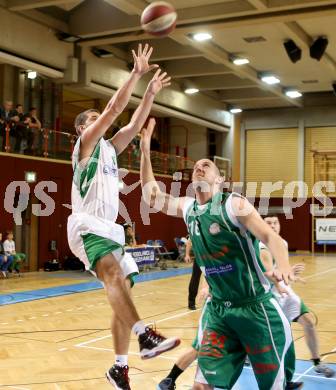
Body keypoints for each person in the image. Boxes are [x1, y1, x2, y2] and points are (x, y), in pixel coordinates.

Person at [140, 118, 301, 390]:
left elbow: (272, 238)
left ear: (220, 178)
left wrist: (282, 264)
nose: (199, 167)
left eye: (207, 165)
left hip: (255, 309)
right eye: (196, 167)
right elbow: (152, 197)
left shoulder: (233, 204)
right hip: (219, 312)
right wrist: (145, 152)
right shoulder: (189, 208)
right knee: (201, 386)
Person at [67, 44, 180, 390]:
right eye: (92, 118)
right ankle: (145, 335)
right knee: (115, 276)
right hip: (87, 224)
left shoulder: (111, 150)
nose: (98, 119)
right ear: (83, 128)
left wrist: (149, 93)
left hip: (109, 229)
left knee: (123, 290)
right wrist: (135, 74)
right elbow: (116, 109)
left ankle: (119, 367)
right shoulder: (86, 145)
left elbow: (132, 121)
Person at [260, 215, 335, 378]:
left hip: (285, 292)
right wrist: (285, 275)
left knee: (308, 321)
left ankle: (317, 363)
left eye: (275, 223)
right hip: (268, 297)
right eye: (268, 223)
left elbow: (282, 269)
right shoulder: (261, 247)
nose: (273, 226)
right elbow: (268, 274)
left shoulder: (282, 243)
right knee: (275, 337)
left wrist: (291, 276)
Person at [185, 238, 202, 310]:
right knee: (195, 278)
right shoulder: (195, 230)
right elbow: (189, 242)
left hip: (212, 257)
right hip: (199, 257)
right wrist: (187, 255)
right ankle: (191, 302)